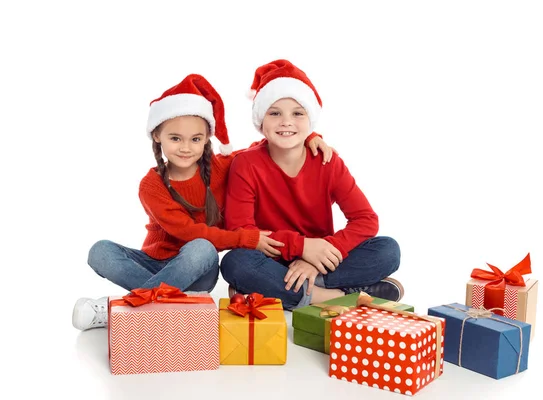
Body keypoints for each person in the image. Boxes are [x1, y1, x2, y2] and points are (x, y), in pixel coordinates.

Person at [72, 73, 333, 331]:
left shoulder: (223, 167)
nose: (186, 148)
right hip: (154, 263)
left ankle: (124, 309)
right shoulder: (151, 185)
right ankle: (174, 304)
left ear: (207, 139)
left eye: (195, 139)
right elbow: (187, 231)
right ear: (157, 136)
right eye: (175, 138)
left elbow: (269, 144)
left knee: (202, 248)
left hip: (200, 270)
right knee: (100, 250)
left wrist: (310, 136)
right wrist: (247, 239)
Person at [220, 59, 402, 311]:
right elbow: (240, 230)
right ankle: (337, 297)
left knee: (388, 249)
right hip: (272, 258)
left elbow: (365, 219)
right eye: (274, 113)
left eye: (297, 113)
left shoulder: (327, 161)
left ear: (310, 119)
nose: (286, 122)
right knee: (235, 262)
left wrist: (316, 260)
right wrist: (302, 247)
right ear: (261, 121)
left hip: (322, 258)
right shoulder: (246, 164)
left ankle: (294, 289)